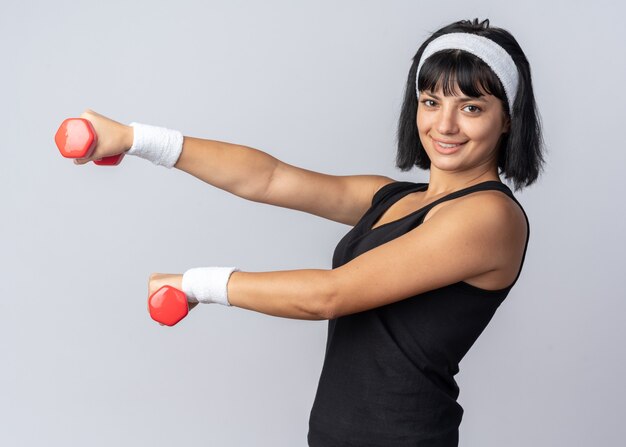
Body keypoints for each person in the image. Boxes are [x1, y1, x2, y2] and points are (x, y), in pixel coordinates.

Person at [71, 17, 544, 447]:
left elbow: (329, 296)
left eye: (471, 107)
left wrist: (196, 285)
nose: (444, 124)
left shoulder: (488, 217)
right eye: (431, 101)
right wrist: (136, 139)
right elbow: (269, 178)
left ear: (507, 120)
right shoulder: (397, 199)